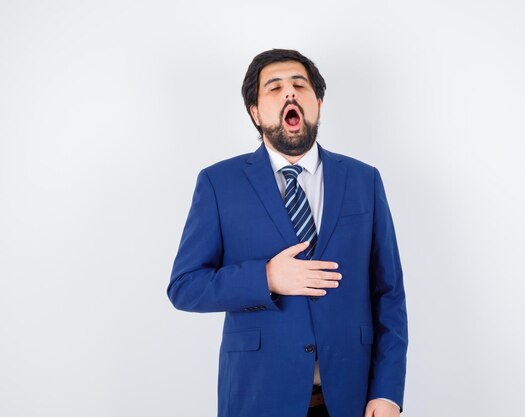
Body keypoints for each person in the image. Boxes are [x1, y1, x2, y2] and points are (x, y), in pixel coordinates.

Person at [167, 49, 408, 417]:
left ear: (319, 103)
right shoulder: (218, 183)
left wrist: (388, 393)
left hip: (352, 398)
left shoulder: (364, 180)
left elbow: (389, 294)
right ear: (255, 112)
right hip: (258, 396)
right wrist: (265, 278)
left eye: (300, 85)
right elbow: (184, 286)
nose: (290, 94)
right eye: (275, 88)